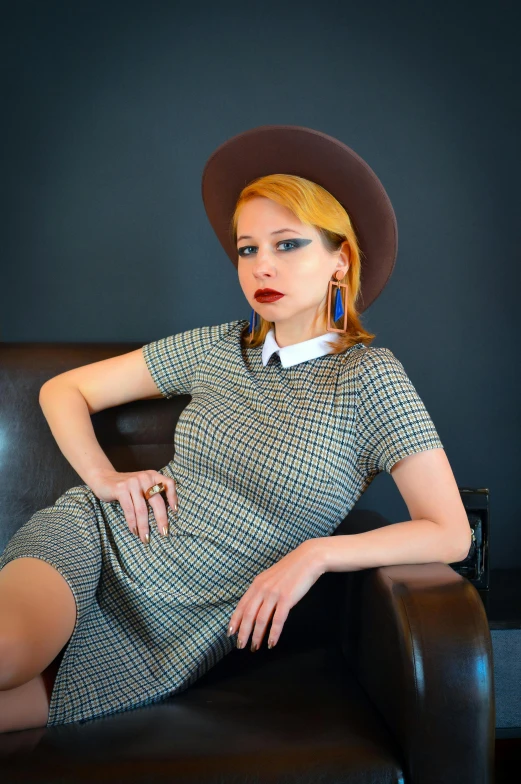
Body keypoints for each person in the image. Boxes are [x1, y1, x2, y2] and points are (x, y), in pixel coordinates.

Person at [0, 125, 471, 733]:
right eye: (248, 249)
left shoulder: (369, 378)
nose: (260, 266)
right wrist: (104, 479)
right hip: (96, 541)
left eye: (287, 244)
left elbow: (449, 532)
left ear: (340, 259)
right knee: (8, 650)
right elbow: (63, 388)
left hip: (177, 631)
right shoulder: (220, 347)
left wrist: (317, 554)